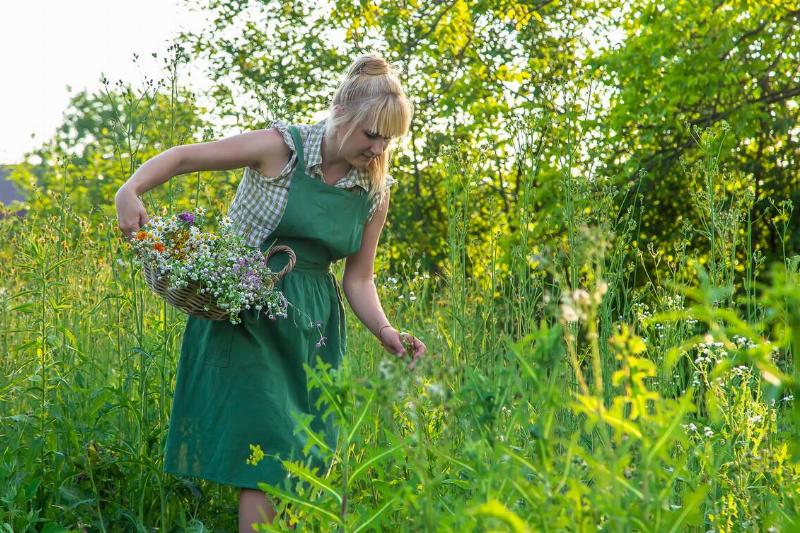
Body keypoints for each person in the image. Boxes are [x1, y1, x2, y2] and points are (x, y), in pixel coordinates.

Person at [114, 53, 427, 531]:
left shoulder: (375, 190)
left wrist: (386, 330)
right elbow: (184, 157)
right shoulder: (280, 149)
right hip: (249, 309)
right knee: (266, 448)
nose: (379, 146)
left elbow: (359, 278)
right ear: (342, 116)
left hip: (314, 328)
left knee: (308, 454)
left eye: (389, 137)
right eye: (372, 133)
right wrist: (129, 191)